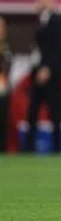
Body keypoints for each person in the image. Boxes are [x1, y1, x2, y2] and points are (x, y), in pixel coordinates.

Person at [25, 0, 61, 153]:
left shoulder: (58, 20)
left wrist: (47, 68)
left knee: (55, 111)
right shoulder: (40, 20)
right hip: (38, 72)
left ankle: (57, 148)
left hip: (52, 74)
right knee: (32, 111)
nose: (39, 0)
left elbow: (59, 48)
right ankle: (29, 148)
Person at [0, 16, 11, 152]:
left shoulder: (6, 49)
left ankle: (2, 150)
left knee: (2, 122)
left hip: (2, 89)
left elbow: (7, 69)